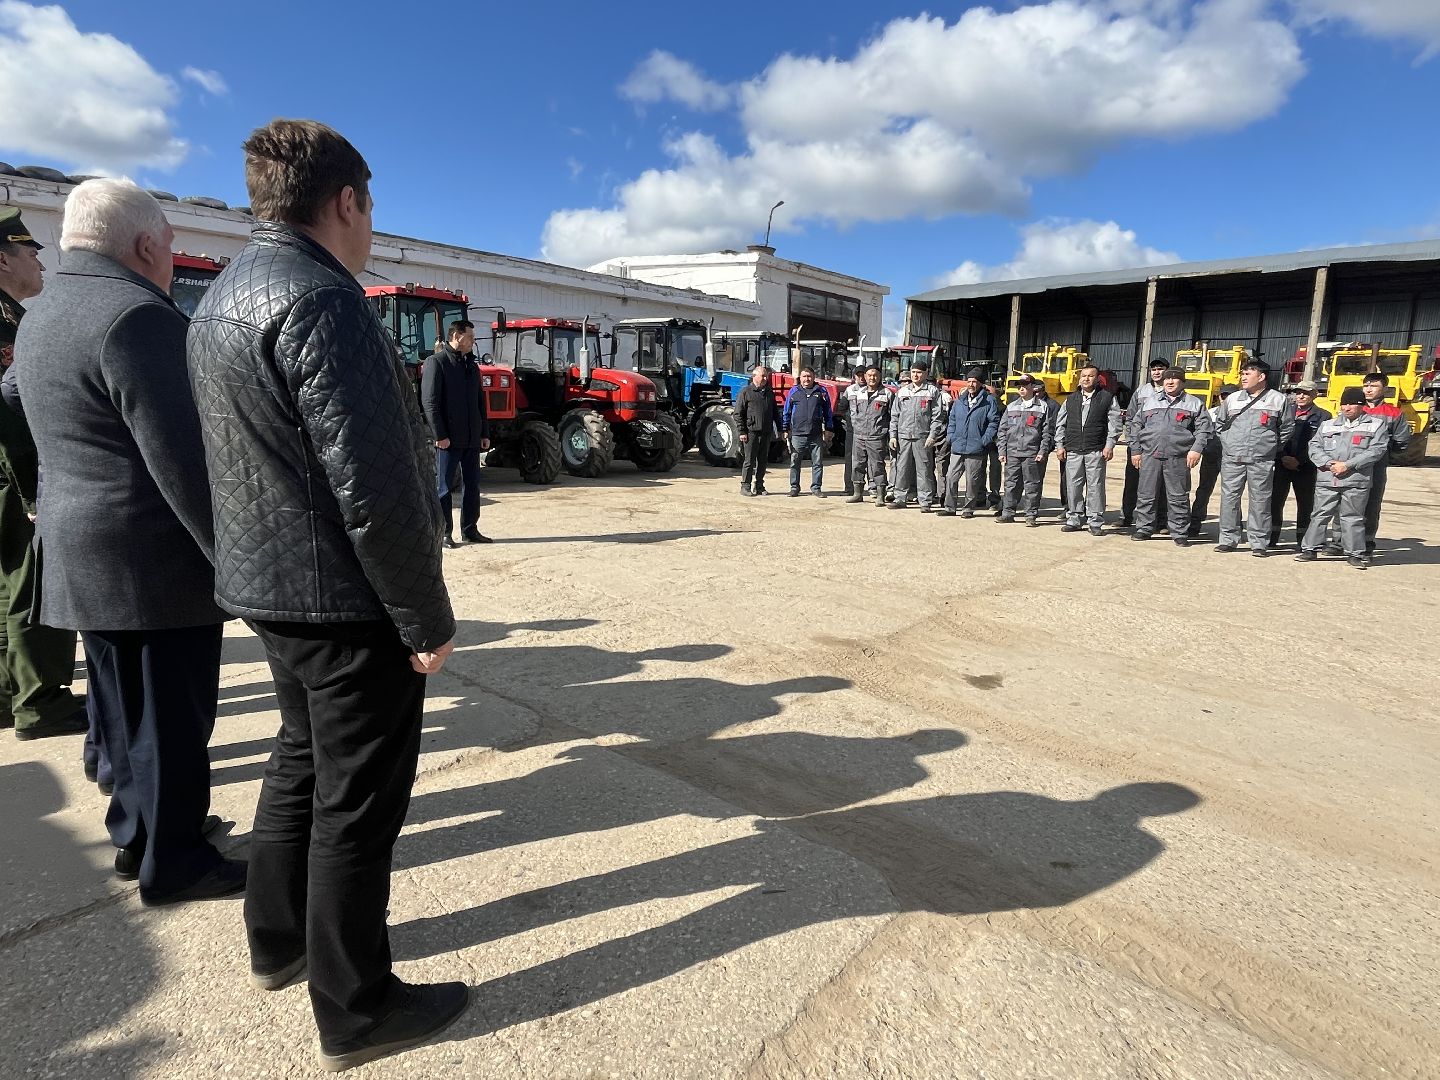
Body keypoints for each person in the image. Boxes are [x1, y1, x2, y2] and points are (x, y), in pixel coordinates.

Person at [186, 120, 466, 1070]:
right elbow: (378, 488)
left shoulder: (223, 294)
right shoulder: (325, 301)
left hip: (271, 585)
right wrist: (424, 619)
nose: (371, 221)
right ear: (344, 201)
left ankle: (278, 943)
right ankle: (356, 1006)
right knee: (358, 802)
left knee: (300, 765)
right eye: (371, 203)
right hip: (341, 600)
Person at [15, 179, 242, 902]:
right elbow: (185, 463)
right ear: (145, 244)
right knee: (171, 720)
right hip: (150, 559)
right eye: (171, 245)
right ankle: (174, 862)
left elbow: (12, 405)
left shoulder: (42, 312)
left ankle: (137, 837)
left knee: (121, 714)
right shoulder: (138, 317)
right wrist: (234, 563)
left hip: (82, 551)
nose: (173, 259)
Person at [0, 208, 87, 740]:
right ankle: (40, 703)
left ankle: (12, 696)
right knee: (34, 588)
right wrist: (35, 488)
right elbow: (10, 414)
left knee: (10, 584)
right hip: (16, 477)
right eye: (29, 251)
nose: (39, 261)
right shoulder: (7, 321)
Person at [1297, 387, 1388, 570]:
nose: (1346, 408)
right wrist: (1329, 463)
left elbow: (1376, 450)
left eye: (1351, 404)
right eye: (1344, 404)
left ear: (1361, 406)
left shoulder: (1376, 425)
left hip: (1356, 479)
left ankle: (1355, 553)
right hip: (1328, 478)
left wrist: (1348, 465)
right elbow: (1314, 447)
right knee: (1319, 514)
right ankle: (1310, 549)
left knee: (1352, 517)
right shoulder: (1328, 424)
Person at [1213, 359, 1293, 557]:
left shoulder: (1278, 399)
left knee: (1260, 500)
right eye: (1243, 373)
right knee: (1229, 499)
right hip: (1233, 457)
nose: (1243, 377)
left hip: (1261, 459)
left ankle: (1259, 542)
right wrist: (1229, 442)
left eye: (1248, 373)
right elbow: (1220, 424)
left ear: (1262, 376)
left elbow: (1286, 427)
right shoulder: (1232, 399)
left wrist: (1271, 447)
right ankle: (1228, 539)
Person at [422, 319, 491, 547]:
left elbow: (480, 402)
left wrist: (484, 432)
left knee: (472, 486)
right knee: (444, 487)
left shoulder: (471, 366)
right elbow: (430, 402)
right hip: (448, 440)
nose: (473, 341)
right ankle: (444, 533)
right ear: (457, 336)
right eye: (470, 336)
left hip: (471, 438)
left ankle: (470, 530)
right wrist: (439, 435)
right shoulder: (437, 363)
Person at [1128, 366, 1211, 544]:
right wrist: (1135, 450)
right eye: (1167, 379)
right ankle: (1144, 528)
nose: (1170, 382)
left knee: (1178, 496)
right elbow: (1135, 427)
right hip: (1150, 455)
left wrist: (1196, 449)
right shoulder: (1149, 401)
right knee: (1146, 494)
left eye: (1175, 379)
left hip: (1178, 457)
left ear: (1182, 382)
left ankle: (1179, 532)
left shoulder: (1194, 403)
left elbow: (1204, 430)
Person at [1054, 364, 1123, 536]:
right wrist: (1060, 445)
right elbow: (1060, 424)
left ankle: (1095, 521)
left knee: (1095, 486)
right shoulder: (1071, 399)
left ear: (1097, 379)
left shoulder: (1107, 398)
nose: (1086, 379)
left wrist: (1109, 445)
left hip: (1095, 450)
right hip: (1074, 449)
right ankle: (1074, 518)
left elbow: (1114, 424)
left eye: (1090, 376)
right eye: (1083, 376)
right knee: (1073, 485)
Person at [1270, 380, 1329, 548]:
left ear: (1315, 395)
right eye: (1299, 392)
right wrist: (1282, 456)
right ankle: (1272, 537)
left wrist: (1300, 460)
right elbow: (1274, 436)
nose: (1301, 396)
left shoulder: (1324, 416)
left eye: (1306, 393)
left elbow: (1320, 443)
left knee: (1306, 504)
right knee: (1275, 502)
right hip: (1282, 463)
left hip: (1306, 466)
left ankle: (1303, 540)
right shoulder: (1284, 412)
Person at [1360, 371, 1411, 554]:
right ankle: (1338, 541)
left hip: (1377, 465)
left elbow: (1402, 441)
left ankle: (1366, 542)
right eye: (1366, 385)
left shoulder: (1394, 413)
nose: (1368, 389)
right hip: (1352, 463)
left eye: (1374, 386)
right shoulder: (1355, 409)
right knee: (1345, 503)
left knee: (1371, 504)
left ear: (1385, 389)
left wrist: (1387, 455)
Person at [938, 367, 999, 517]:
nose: (971, 384)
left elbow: (993, 422)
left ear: (980, 384)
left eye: (974, 381)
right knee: (951, 477)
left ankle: (968, 509)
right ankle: (949, 507)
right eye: (969, 381)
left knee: (972, 481)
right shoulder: (960, 401)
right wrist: (951, 436)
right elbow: (952, 420)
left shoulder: (989, 401)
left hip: (975, 448)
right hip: (957, 446)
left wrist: (984, 439)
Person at [888, 358, 946, 511]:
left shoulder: (932, 391)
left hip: (923, 437)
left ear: (926, 374)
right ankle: (900, 498)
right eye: (913, 372)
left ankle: (925, 501)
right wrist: (893, 435)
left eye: (919, 372)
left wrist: (933, 435)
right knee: (902, 468)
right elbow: (895, 415)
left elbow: (937, 416)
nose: (915, 375)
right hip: (903, 436)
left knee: (924, 469)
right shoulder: (902, 392)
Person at [995, 375, 1053, 525]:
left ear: (1032, 387)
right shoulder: (1011, 406)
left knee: (1032, 485)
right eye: (1019, 385)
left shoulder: (1042, 407)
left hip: (1032, 453)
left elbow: (1047, 432)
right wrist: (1002, 451)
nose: (1021, 388)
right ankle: (1008, 513)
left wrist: (1042, 451)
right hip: (1013, 453)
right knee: (1010, 484)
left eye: (1025, 385)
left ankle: (1030, 515)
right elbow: (1002, 430)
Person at [1122, 358, 1170, 530]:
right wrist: (1132, 442)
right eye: (1154, 369)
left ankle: (1161, 521)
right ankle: (1126, 516)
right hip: (1139, 445)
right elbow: (1130, 417)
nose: (1156, 372)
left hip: (1160, 445)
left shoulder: (1171, 390)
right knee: (1132, 482)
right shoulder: (1141, 391)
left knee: (1161, 484)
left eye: (1160, 368)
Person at [845, 362, 892, 505]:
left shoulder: (887, 394)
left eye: (875, 375)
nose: (872, 378)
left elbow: (892, 416)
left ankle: (880, 495)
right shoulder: (858, 393)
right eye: (869, 375)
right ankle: (857, 493)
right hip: (859, 435)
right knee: (857, 464)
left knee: (877, 465)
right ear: (865, 376)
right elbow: (851, 412)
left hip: (876, 436)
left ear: (880, 377)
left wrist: (888, 433)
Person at [782, 366, 832, 497]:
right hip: (798, 434)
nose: (806, 379)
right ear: (800, 378)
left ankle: (816, 488)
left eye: (809, 376)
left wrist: (828, 428)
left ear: (814, 377)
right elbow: (786, 411)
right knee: (795, 462)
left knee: (817, 463)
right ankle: (794, 487)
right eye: (804, 376)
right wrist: (785, 428)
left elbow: (828, 412)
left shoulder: (821, 391)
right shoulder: (794, 391)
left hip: (815, 434)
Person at [734, 361, 776, 496]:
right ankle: (745, 486)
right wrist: (742, 431)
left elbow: (775, 412)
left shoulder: (769, 393)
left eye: (766, 376)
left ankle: (759, 486)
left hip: (766, 432)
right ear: (754, 376)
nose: (765, 378)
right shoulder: (745, 392)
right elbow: (738, 413)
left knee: (762, 461)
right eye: (762, 376)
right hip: (751, 432)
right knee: (749, 461)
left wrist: (781, 429)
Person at [1187, 402, 1224, 539]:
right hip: (1211, 455)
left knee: (1231, 494)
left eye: (1228, 396)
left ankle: (1235, 526)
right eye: (1223, 396)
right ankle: (1195, 524)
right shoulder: (1210, 412)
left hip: (1230, 457)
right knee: (1203, 490)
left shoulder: (1239, 409)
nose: (1225, 399)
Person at [982, 377, 1004, 509]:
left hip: (995, 442)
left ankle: (995, 498)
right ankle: (979, 496)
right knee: (979, 469)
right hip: (982, 441)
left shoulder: (1001, 406)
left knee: (995, 470)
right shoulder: (980, 403)